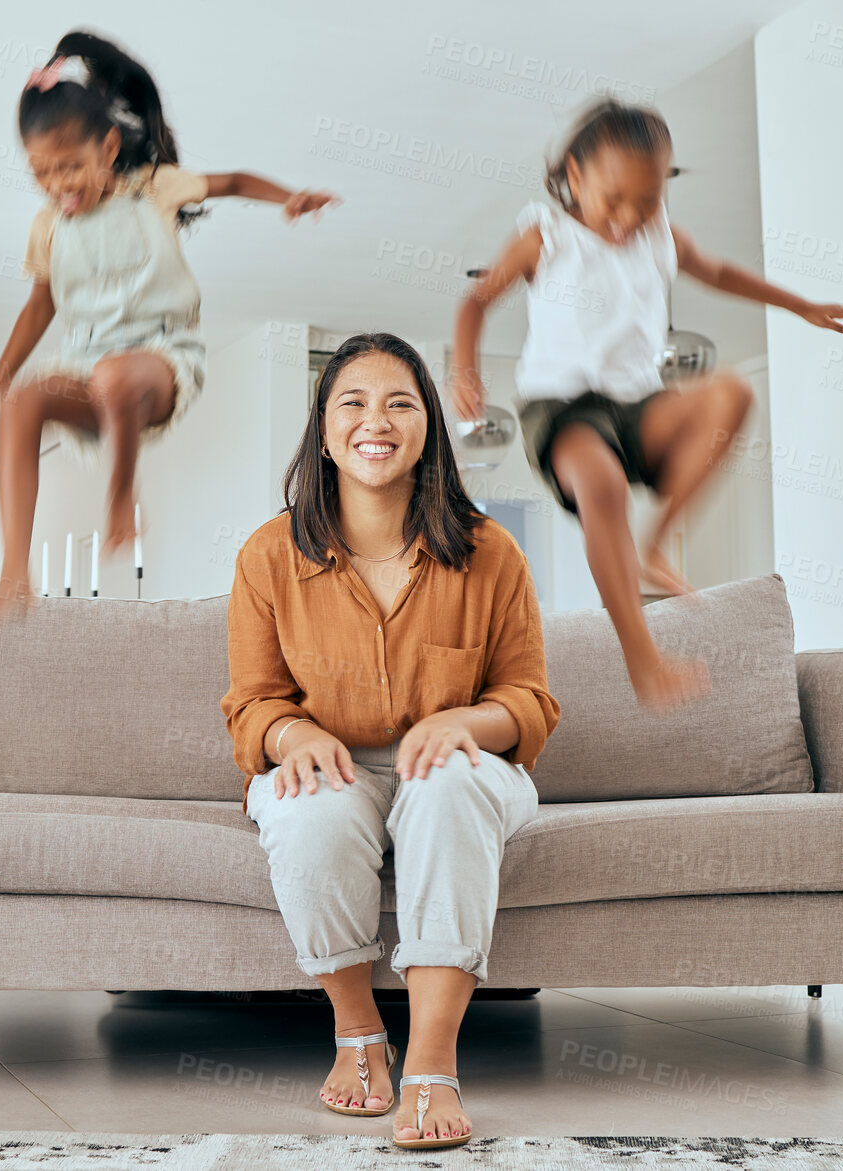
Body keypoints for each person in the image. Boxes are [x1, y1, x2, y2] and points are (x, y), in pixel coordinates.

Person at [220, 332, 560, 1149]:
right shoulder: (268, 556)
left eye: (400, 402)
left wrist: (460, 722)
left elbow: (530, 701)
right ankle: (360, 1031)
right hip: (332, 766)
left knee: (445, 782)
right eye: (355, 403)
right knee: (312, 808)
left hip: (464, 766)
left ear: (428, 428)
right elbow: (251, 704)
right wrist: (292, 731)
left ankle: (433, 1059)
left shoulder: (490, 552)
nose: (377, 420)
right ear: (326, 429)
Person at [449, 97, 843, 707]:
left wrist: (799, 303)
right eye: (613, 199)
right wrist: (465, 370)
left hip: (638, 406)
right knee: (605, 487)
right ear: (575, 177)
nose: (629, 217)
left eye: (646, 200)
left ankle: (655, 545)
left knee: (732, 391)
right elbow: (476, 301)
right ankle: (641, 657)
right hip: (562, 410)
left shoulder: (658, 237)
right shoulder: (547, 235)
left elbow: (723, 273)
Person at [0, 30, 338, 627]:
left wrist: (288, 198)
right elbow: (38, 307)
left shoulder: (153, 188)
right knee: (27, 400)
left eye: (71, 166)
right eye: (42, 173)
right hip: (88, 366)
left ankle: (121, 497)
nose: (58, 185)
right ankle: (11, 575)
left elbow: (229, 181)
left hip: (163, 356)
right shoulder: (47, 227)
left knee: (117, 374)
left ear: (107, 147)